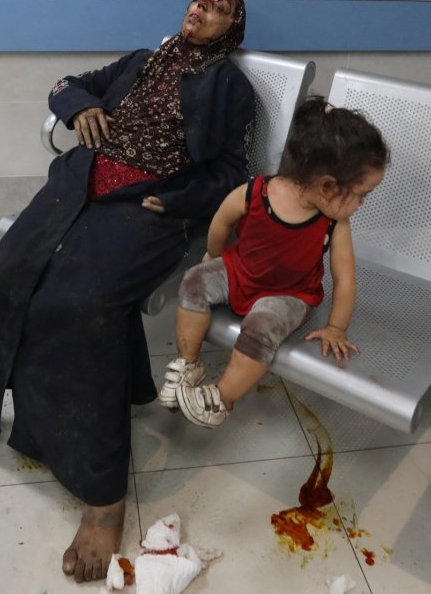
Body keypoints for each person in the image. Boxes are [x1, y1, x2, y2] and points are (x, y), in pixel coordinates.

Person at [0, 0, 254, 582]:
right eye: (199, 0)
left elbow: (233, 171)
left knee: (81, 309)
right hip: (78, 184)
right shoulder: (142, 59)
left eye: (219, 8)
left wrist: (175, 199)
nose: (202, 10)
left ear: (232, 27)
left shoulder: (228, 87)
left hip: (146, 207)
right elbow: (65, 84)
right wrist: (78, 108)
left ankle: (103, 494)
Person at [159, 97, 388, 429]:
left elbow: (345, 278)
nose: (362, 204)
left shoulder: (334, 224)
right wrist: (214, 255)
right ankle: (188, 363)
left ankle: (222, 399)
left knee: (261, 328)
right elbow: (222, 221)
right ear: (327, 186)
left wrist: (336, 327)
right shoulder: (255, 193)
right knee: (194, 281)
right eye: (361, 194)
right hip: (238, 270)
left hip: (289, 294)